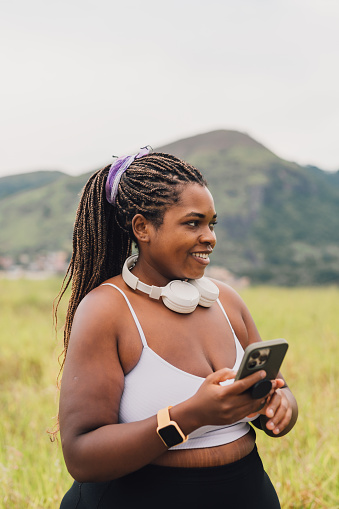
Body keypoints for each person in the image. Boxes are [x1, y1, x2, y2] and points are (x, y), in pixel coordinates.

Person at [56, 148, 298, 509]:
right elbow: (82, 455)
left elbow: (279, 388)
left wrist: (281, 405)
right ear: (143, 228)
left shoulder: (226, 300)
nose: (210, 237)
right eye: (193, 223)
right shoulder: (106, 310)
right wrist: (191, 415)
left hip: (247, 490)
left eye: (212, 223)